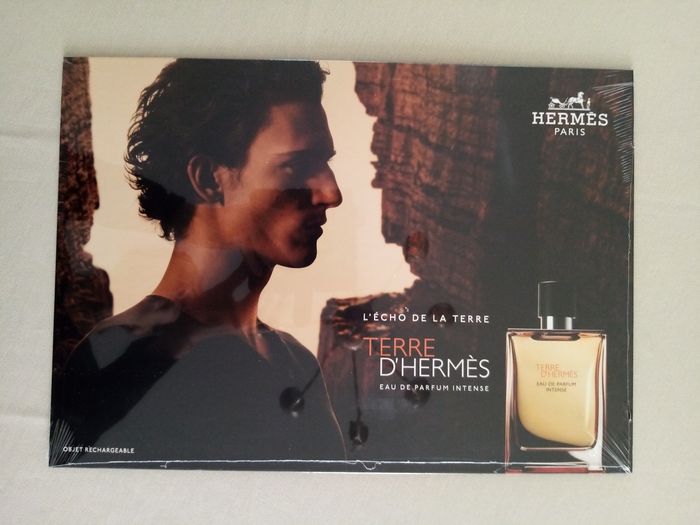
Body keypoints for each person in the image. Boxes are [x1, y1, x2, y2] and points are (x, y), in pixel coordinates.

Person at [50, 59, 346, 467]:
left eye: (325, 162)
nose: (331, 193)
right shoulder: (118, 357)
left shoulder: (296, 360)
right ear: (207, 178)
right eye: (295, 166)